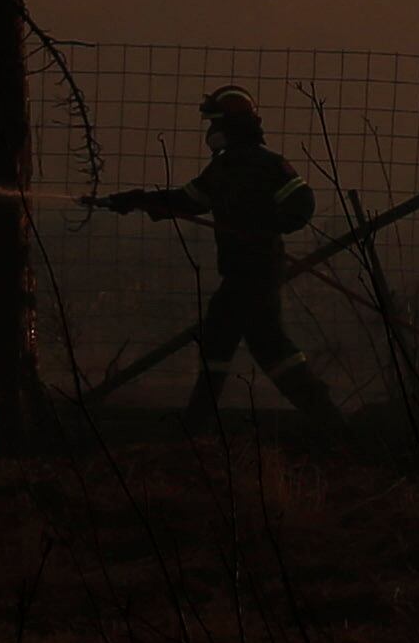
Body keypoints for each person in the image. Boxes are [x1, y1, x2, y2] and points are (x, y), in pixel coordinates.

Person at [99, 86, 339, 426]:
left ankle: (323, 417)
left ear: (232, 125)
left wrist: (263, 224)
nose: (210, 132)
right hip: (242, 272)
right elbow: (187, 201)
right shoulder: (224, 169)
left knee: (252, 340)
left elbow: (302, 204)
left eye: (215, 123)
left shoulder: (267, 165)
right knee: (232, 337)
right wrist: (136, 200)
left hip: (257, 269)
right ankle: (204, 419)